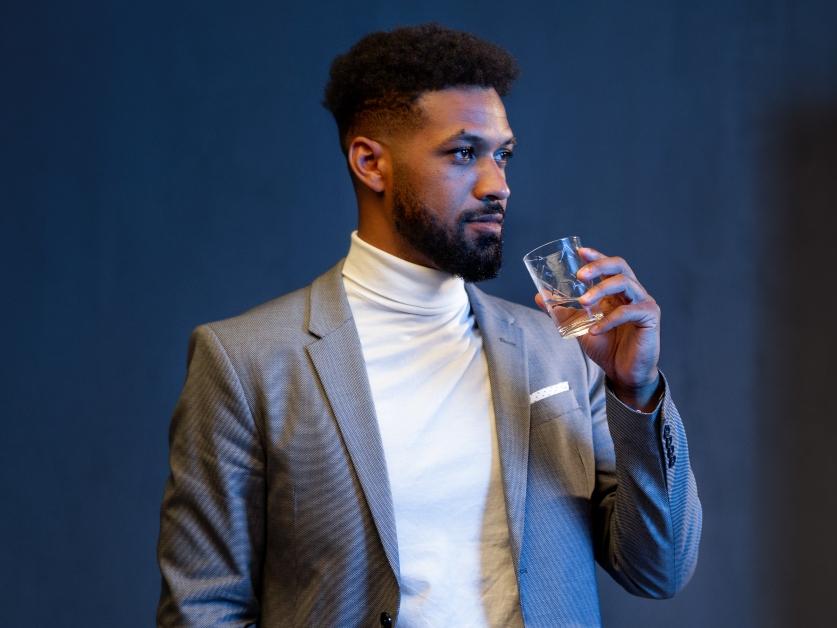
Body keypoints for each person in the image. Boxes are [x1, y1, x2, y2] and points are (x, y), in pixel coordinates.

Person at [156, 23, 701, 628]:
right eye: (464, 152)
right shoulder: (246, 361)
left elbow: (660, 569)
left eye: (504, 154)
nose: (499, 185)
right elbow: (203, 608)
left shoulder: (561, 352)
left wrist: (638, 392)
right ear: (370, 162)